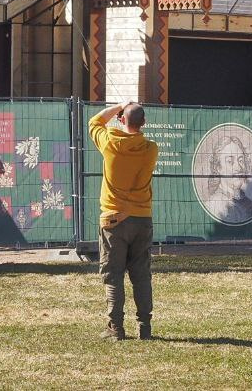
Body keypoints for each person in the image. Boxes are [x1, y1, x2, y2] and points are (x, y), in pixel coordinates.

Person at [89, 102, 159, 341]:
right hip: (141, 217)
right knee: (141, 274)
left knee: (113, 274)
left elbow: (94, 122)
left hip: (113, 219)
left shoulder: (110, 143)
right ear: (144, 123)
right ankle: (145, 327)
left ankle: (115, 328)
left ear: (121, 120)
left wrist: (117, 106)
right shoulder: (151, 149)